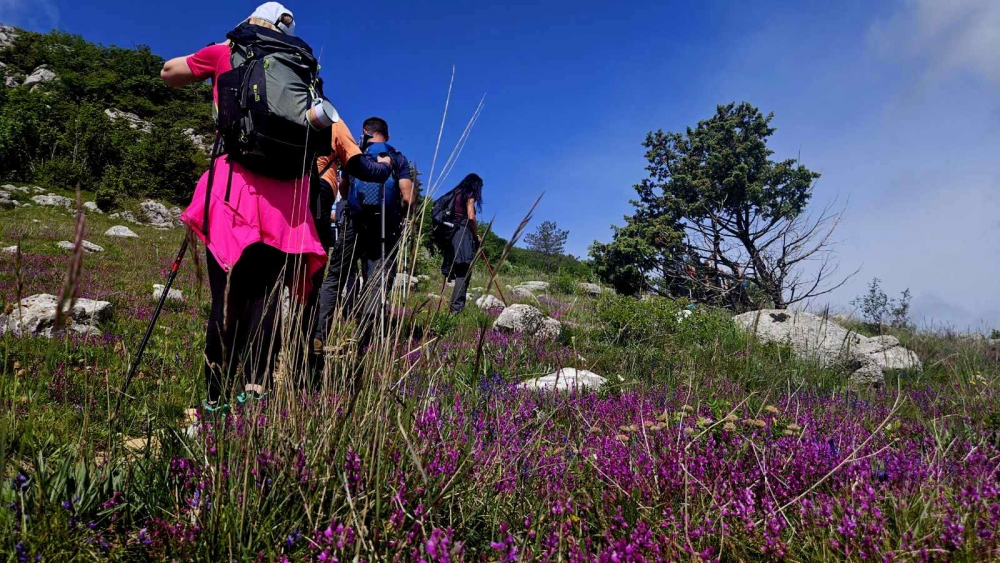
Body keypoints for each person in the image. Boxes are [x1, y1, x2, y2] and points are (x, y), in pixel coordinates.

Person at [159, 3, 393, 414]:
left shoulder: (229, 50)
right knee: (264, 301)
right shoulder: (304, 74)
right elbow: (339, 144)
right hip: (288, 201)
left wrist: (217, 56)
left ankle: (214, 403)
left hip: (234, 190)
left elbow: (168, 72)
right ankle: (255, 394)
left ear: (252, 22)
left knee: (227, 298)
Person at [313, 117, 414, 347]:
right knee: (376, 281)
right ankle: (364, 341)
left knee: (335, 277)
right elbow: (407, 197)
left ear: (365, 132)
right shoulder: (398, 158)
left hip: (355, 223)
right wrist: (400, 216)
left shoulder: (357, 154)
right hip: (385, 228)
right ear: (387, 135)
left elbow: (344, 187)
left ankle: (319, 335)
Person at [441, 174, 483, 313]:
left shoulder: (456, 192)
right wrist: (476, 234)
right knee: (463, 271)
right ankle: (456, 310)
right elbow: (471, 217)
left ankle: (453, 308)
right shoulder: (469, 194)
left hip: (451, 234)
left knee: (457, 269)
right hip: (462, 233)